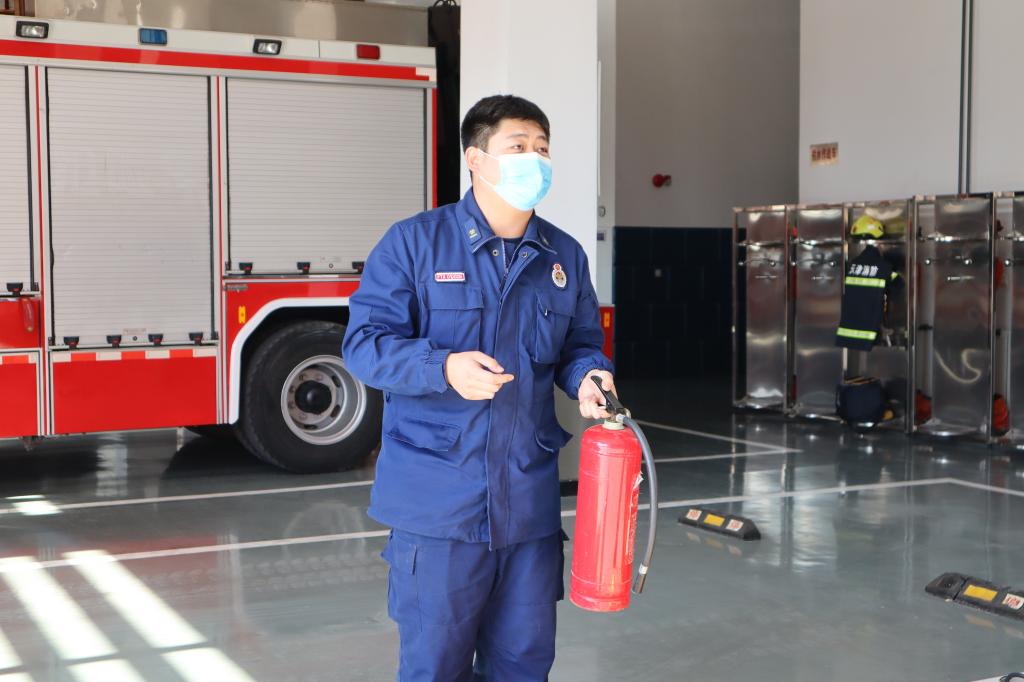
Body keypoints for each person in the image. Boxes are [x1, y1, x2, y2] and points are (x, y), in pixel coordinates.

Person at [342, 94, 617, 681]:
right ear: (476, 159)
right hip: (440, 508)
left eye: (542, 149)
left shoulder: (563, 256)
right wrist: (442, 368)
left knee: (524, 665)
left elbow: (579, 346)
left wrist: (589, 377)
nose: (535, 160)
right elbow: (364, 345)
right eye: (518, 147)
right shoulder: (415, 244)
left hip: (528, 508)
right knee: (435, 667)